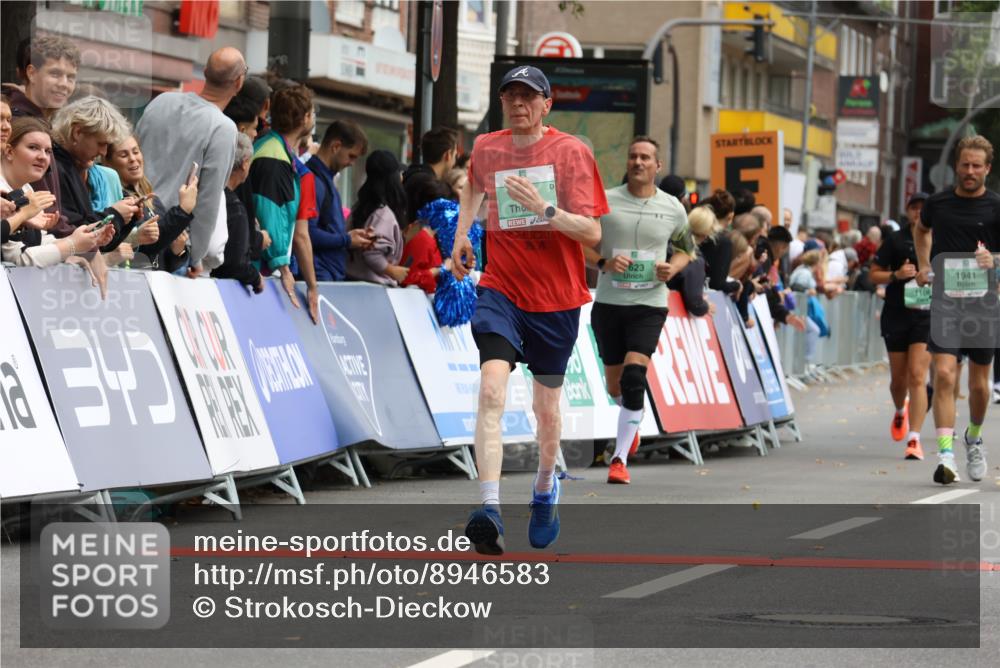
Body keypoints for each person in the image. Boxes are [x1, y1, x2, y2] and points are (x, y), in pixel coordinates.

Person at [451, 65, 608, 554]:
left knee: (546, 411)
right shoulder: (487, 147)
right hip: (502, 288)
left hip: (556, 298)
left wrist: (544, 209)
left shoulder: (571, 152)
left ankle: (544, 487)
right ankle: (490, 508)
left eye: (528, 96)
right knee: (492, 390)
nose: (518, 104)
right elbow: (474, 185)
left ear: (547, 105)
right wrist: (462, 233)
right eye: (510, 95)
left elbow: (593, 234)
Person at [581, 137, 693, 485]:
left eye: (645, 157)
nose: (638, 162)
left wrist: (672, 269)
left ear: (658, 166)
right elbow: (577, 243)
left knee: (634, 378)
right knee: (615, 384)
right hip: (609, 303)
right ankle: (631, 417)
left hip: (649, 305)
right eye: (633, 156)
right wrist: (603, 261)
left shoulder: (673, 207)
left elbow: (686, 249)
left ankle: (619, 458)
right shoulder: (605, 201)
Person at [914, 136, 999, 485]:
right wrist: (922, 264)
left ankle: (974, 438)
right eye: (965, 164)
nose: (970, 171)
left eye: (977, 165)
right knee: (945, 374)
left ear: (987, 169)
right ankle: (946, 456)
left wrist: (993, 259)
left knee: (980, 386)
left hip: (984, 304)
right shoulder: (938, 202)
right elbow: (921, 230)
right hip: (946, 300)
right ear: (956, 166)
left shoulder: (996, 206)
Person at [137, 47, 242, 275]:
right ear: (239, 82)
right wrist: (195, 257)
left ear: (204, 72)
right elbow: (208, 198)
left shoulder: (161, 101)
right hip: (172, 242)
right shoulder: (222, 128)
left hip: (134, 225)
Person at [248, 84, 321, 321]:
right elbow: (270, 213)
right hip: (260, 268)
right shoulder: (274, 156)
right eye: (312, 113)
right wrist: (284, 267)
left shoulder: (272, 148)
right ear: (305, 118)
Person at [870, 192, 932, 461]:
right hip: (896, 314)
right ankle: (899, 411)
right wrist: (896, 275)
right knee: (899, 381)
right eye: (914, 208)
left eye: (923, 208)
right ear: (907, 211)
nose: (918, 213)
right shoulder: (895, 240)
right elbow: (873, 274)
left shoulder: (939, 237)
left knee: (918, 376)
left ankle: (914, 438)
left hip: (927, 316)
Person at [1, 116, 112, 266]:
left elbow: (39, 244)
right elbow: (17, 261)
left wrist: (84, 241)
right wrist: (71, 245)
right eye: (33, 147)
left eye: (48, 151)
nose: (43, 157)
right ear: (9, 151)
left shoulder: (27, 189)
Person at [6, 35, 81, 239]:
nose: (64, 84)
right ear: (32, 73)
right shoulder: (13, 124)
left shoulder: (40, 124)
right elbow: (45, 208)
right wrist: (80, 246)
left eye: (71, 77)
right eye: (55, 74)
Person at [50, 96, 139, 254]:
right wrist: (115, 214)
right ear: (77, 132)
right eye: (101, 144)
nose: (103, 152)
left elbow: (99, 245)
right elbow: (75, 234)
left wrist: (128, 218)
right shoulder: (55, 168)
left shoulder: (71, 168)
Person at [105, 134, 199, 272]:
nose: (133, 158)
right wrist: (183, 210)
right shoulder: (118, 199)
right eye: (124, 155)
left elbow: (163, 260)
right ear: (108, 163)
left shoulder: (153, 200)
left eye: (136, 152)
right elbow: (147, 245)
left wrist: (177, 251)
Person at [306, 119, 374, 281]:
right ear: (335, 147)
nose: (352, 163)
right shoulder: (314, 180)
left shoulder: (324, 179)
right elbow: (308, 232)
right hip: (320, 275)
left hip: (327, 274)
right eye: (351, 156)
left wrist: (348, 237)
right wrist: (347, 239)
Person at [345, 150, 409, 286]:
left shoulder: (360, 207)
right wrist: (391, 270)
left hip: (351, 282)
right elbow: (372, 253)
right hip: (374, 289)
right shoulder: (383, 214)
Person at [212, 134, 263, 292]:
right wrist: (255, 277)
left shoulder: (204, 192)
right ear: (245, 164)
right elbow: (235, 265)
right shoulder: (235, 209)